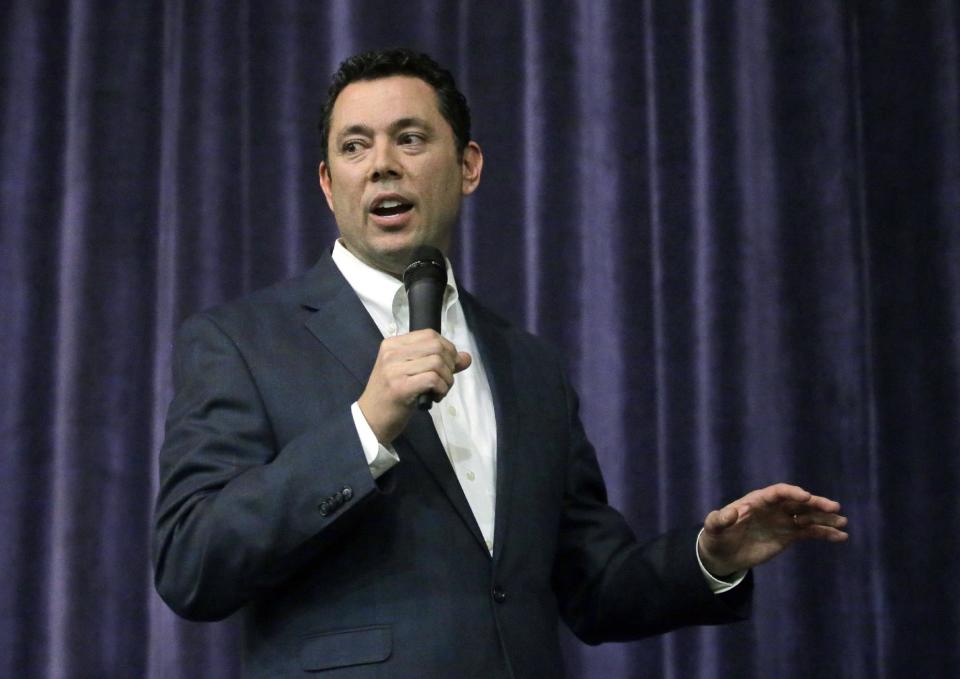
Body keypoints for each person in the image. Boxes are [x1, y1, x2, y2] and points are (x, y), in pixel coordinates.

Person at [152, 48, 847, 678]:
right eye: (355, 147)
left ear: (469, 166)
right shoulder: (241, 341)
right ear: (330, 185)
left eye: (410, 138)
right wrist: (364, 429)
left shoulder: (529, 364)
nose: (383, 163)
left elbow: (591, 584)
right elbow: (191, 563)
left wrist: (710, 558)